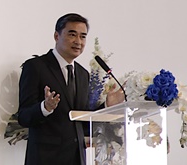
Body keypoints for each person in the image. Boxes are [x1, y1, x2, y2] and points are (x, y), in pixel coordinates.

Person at [17, 13, 124, 165]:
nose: (78, 41)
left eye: (83, 36)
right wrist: (45, 108)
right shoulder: (36, 67)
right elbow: (23, 117)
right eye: (72, 34)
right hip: (45, 159)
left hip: (76, 158)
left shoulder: (83, 74)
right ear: (56, 36)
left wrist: (107, 106)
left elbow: (82, 122)